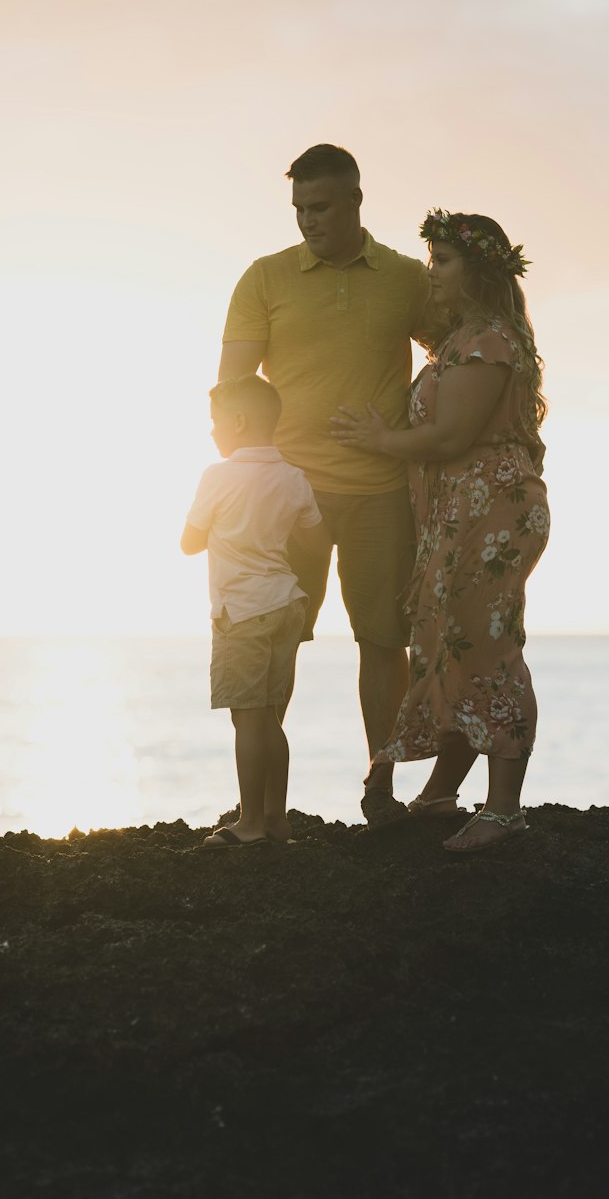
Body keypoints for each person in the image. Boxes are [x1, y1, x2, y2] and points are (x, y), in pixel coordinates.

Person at [218, 144, 431, 827]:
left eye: (321, 207)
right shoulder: (265, 278)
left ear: (355, 201)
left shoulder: (404, 278)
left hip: (379, 490)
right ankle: (258, 803)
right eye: (299, 209)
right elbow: (231, 389)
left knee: (381, 640)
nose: (308, 220)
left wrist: (417, 429)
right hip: (288, 494)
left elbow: (457, 351)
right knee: (275, 639)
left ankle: (381, 785)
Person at [331, 209, 550, 854]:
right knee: (446, 644)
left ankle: (505, 810)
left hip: (492, 509)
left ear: (478, 271)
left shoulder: (490, 341)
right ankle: (440, 793)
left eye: (443, 262)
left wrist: (380, 440)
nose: (432, 274)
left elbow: (452, 436)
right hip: (459, 509)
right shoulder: (462, 340)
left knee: (485, 648)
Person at [181, 374, 330, 847]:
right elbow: (316, 539)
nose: (211, 432)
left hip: (241, 612)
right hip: (287, 605)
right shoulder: (293, 477)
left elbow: (188, 544)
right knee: (268, 718)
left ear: (239, 422)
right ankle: (276, 819)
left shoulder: (217, 475)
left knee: (248, 719)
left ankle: (249, 823)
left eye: (216, 422)